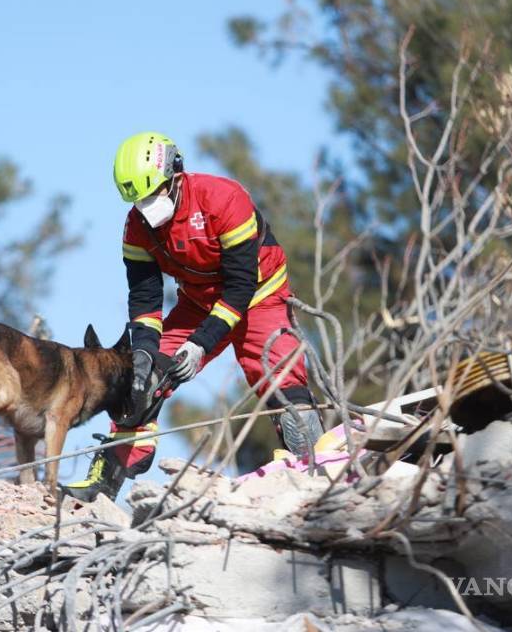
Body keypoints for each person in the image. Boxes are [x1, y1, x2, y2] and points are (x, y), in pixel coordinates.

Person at [63, 131, 327, 502]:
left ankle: (314, 472)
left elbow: (240, 286)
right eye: (139, 200)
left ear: (175, 176)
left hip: (261, 295)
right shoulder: (136, 227)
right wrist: (143, 354)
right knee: (140, 378)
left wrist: (200, 345)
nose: (147, 206)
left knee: (281, 376)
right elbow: (145, 297)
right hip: (197, 303)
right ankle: (108, 476)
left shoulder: (224, 200)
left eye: (153, 194)